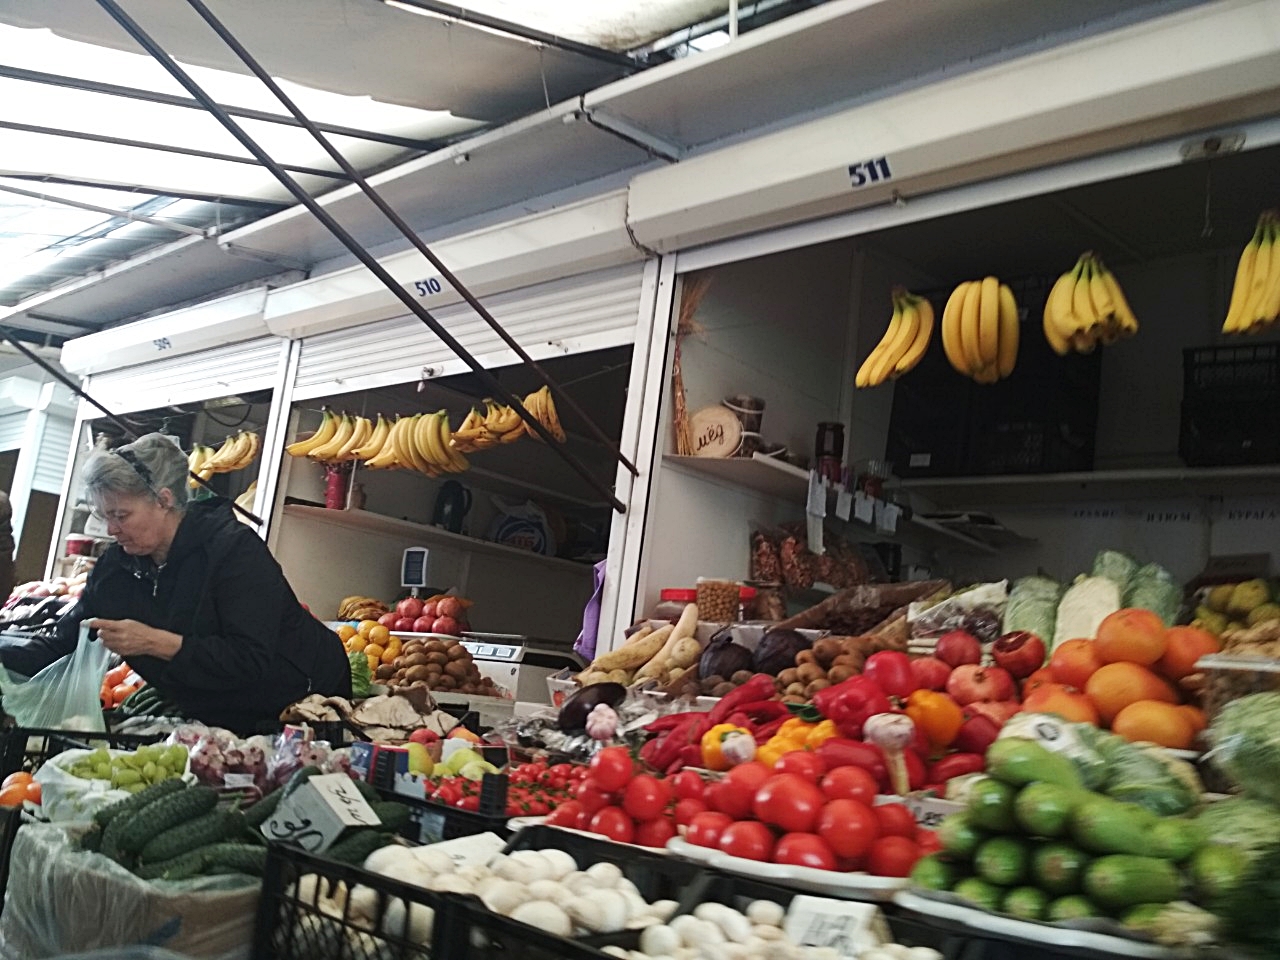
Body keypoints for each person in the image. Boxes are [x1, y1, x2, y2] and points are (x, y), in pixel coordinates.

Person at [13, 433, 350, 733]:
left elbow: (249, 659)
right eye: (105, 516)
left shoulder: (233, 551)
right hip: (211, 709)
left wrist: (155, 642)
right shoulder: (116, 569)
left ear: (164, 500)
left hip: (298, 700)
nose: (111, 529)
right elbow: (64, 642)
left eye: (121, 515)